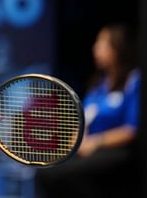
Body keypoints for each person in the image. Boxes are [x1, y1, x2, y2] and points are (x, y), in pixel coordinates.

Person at [35, 23, 141, 198]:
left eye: (102, 44)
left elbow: (131, 130)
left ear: (118, 48)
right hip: (88, 150)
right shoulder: (99, 84)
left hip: (116, 152)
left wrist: (96, 142)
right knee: (45, 172)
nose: (95, 49)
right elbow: (84, 119)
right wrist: (76, 141)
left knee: (60, 176)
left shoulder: (134, 80)